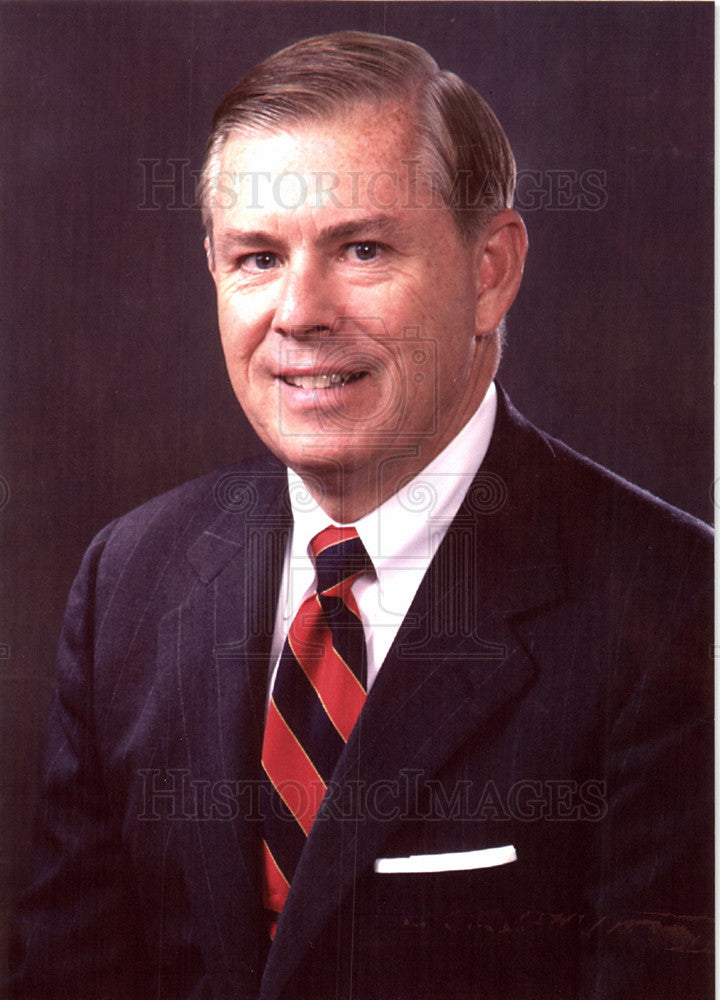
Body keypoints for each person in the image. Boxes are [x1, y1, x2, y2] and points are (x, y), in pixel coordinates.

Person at [7, 30, 712, 1000]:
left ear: (491, 270)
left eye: (363, 248)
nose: (300, 311)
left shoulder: (677, 612)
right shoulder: (130, 578)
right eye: (257, 258)